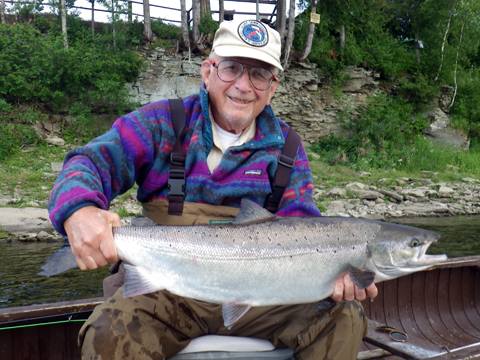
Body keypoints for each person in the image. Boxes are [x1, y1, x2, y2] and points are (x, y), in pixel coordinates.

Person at [48, 19, 377, 360]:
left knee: (345, 319)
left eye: (259, 74)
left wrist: (334, 275)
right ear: (208, 72)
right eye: (232, 68)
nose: (244, 86)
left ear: (273, 87)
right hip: (168, 287)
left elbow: (304, 229)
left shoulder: (288, 149)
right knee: (109, 332)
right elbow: (89, 163)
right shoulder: (161, 122)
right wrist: (79, 211)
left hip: (262, 296)